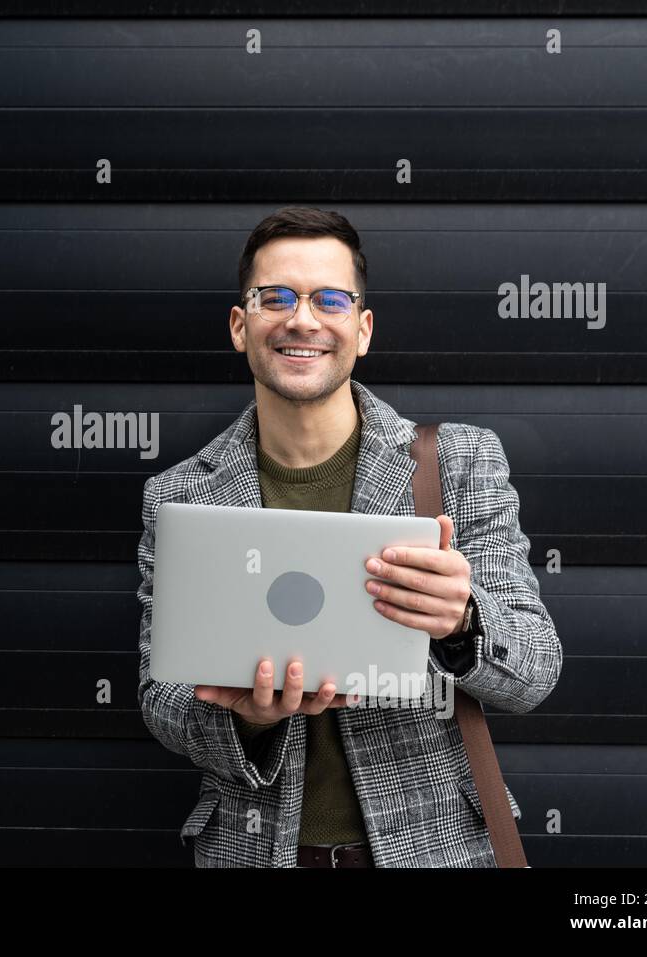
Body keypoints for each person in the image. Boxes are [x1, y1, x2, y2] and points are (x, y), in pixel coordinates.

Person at [135, 207, 562, 867]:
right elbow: (160, 698)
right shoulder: (180, 495)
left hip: (432, 851)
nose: (301, 319)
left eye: (329, 299)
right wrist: (249, 717)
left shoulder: (459, 462)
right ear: (239, 325)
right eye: (274, 297)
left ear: (362, 330)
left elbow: (535, 667)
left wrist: (462, 620)